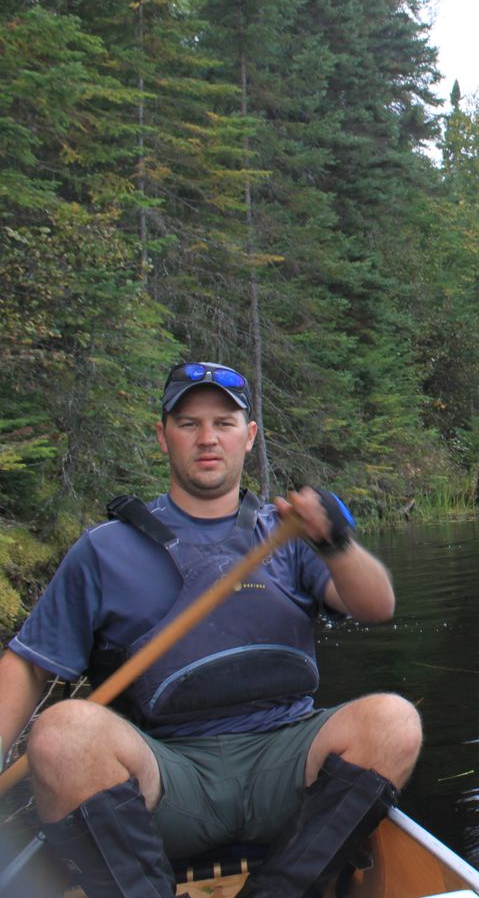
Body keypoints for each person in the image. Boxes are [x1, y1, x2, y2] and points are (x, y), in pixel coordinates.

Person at [0, 361, 422, 897]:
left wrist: (335, 542)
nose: (207, 438)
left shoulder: (289, 534)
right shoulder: (104, 550)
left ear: (249, 437)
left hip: (288, 765)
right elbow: (27, 665)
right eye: (189, 423)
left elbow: (376, 605)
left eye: (224, 424)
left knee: (394, 720)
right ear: (163, 436)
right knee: (62, 731)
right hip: (168, 779)